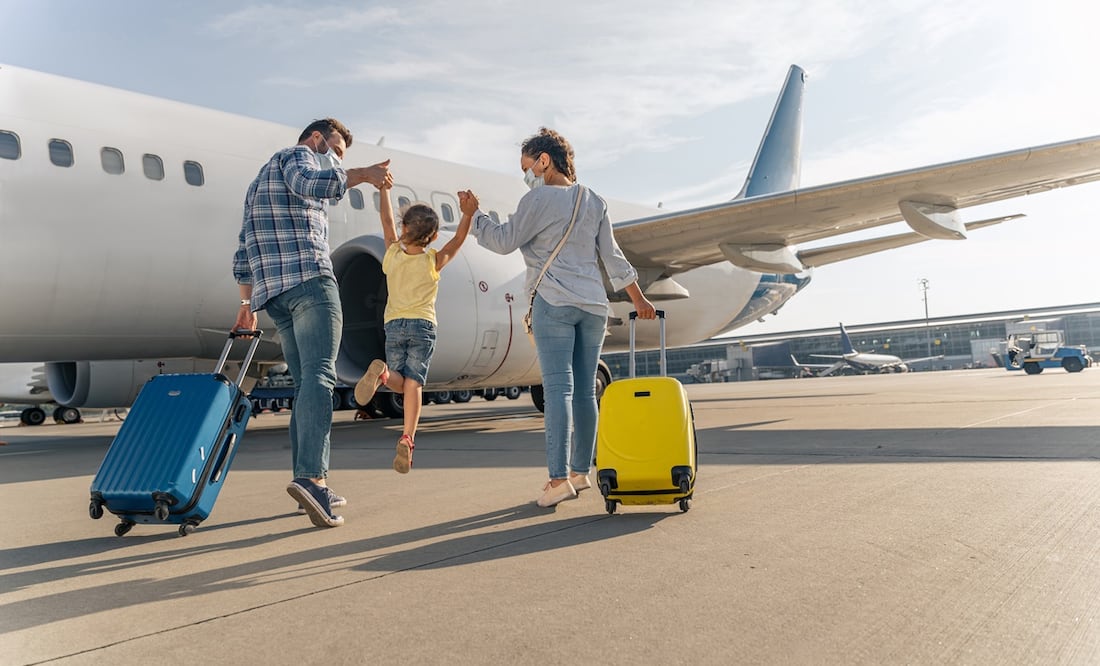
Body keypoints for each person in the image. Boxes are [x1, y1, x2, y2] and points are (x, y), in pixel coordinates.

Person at [464, 127, 656, 508]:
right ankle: (579, 472)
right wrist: (639, 300)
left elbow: (503, 241)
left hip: (553, 303)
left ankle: (556, 481)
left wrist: (475, 216)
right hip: (594, 306)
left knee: (557, 390)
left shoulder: (537, 200)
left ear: (544, 161)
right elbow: (613, 257)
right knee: (586, 392)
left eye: (527, 166)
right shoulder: (594, 200)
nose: (527, 175)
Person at [233, 118, 392, 528]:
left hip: (275, 297)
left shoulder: (257, 185)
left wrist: (246, 303)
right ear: (318, 139)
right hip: (309, 282)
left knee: (306, 385)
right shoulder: (299, 156)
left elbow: (242, 248)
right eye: (337, 151)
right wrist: (363, 175)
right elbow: (311, 184)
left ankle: (308, 477)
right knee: (322, 379)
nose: (338, 160)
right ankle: (312, 477)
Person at [352, 179, 474, 473]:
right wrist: (468, 214)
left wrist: (384, 190)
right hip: (423, 326)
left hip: (394, 325)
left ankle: (382, 374)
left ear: (404, 228)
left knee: (399, 380)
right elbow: (457, 241)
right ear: (432, 236)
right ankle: (408, 436)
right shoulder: (433, 261)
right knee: (414, 383)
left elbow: (385, 220)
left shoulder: (392, 255)